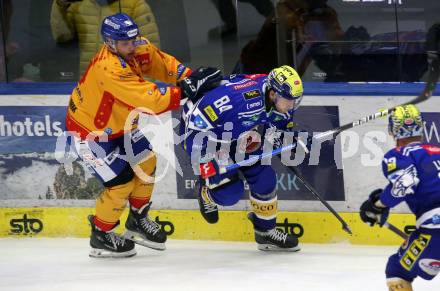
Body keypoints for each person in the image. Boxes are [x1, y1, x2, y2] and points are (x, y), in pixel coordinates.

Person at [65, 12, 221, 258]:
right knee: (121, 183)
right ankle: (101, 233)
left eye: (133, 39)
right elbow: (149, 99)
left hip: (122, 127)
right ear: (109, 43)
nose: (132, 46)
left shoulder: (134, 46)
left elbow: (161, 63)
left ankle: (137, 219)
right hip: (90, 134)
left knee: (147, 162)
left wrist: (188, 77)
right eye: (125, 43)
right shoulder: (109, 68)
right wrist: (186, 91)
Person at [181, 65, 304, 251]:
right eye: (289, 100)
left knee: (265, 178)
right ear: (272, 94)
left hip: (238, 133)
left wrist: (290, 142)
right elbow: (194, 125)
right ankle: (205, 193)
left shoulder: (281, 99)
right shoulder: (239, 99)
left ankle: (265, 232)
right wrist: (206, 161)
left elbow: (280, 127)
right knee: (229, 193)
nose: (292, 105)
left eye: (296, 100)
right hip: (205, 136)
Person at [359, 104, 440, 291]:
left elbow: (405, 184)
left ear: (392, 130)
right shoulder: (437, 150)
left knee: (397, 270)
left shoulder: (398, 155)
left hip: (435, 231)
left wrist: (378, 205)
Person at [51, 0, 160, 75]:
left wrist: (142, 90)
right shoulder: (77, 5)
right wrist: (60, 5)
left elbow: (149, 51)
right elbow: (62, 37)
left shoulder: (135, 4)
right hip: (89, 83)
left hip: (125, 86)